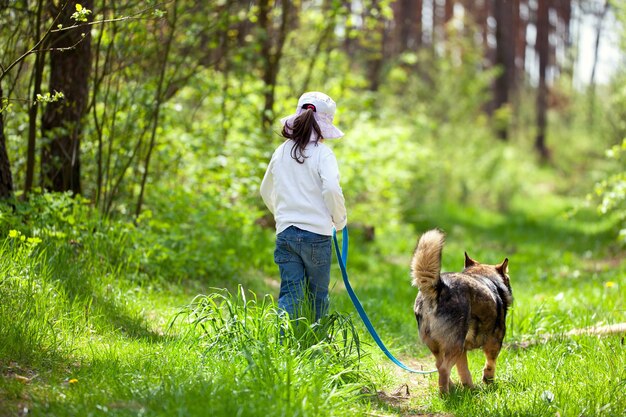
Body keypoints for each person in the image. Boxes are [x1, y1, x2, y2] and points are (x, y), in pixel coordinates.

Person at [260, 91, 347, 322]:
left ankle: (284, 342)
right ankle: (315, 343)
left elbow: (265, 190)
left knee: (290, 292)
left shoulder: (281, 151)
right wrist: (339, 220)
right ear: (325, 127)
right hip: (316, 236)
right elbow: (330, 189)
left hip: (286, 233)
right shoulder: (323, 154)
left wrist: (283, 216)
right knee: (317, 295)